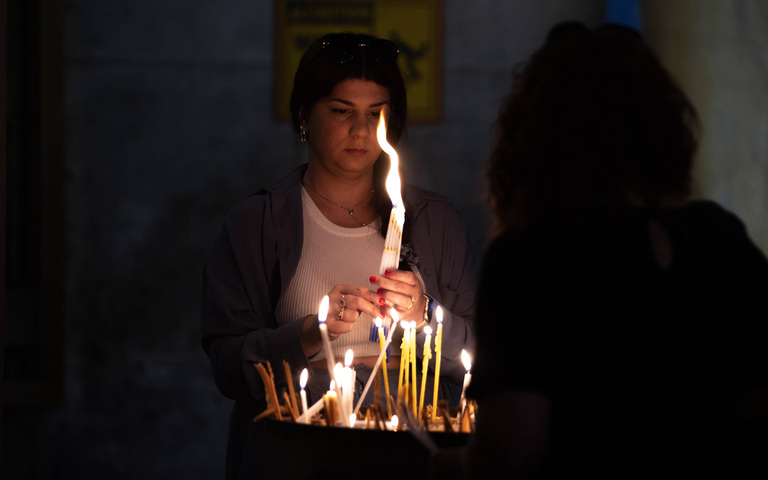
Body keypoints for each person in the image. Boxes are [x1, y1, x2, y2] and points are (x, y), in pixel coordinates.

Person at [463, 22, 768, 479]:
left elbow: (513, 449)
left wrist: (456, 467)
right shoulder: (722, 239)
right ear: (663, 128)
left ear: (535, 138)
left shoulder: (532, 256)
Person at [202, 32, 477, 479]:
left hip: (410, 455)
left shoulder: (435, 221)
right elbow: (229, 368)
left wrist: (423, 317)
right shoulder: (257, 223)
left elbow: (482, 358)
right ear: (304, 114)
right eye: (341, 111)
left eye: (375, 114)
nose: (361, 131)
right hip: (300, 455)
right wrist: (313, 332)